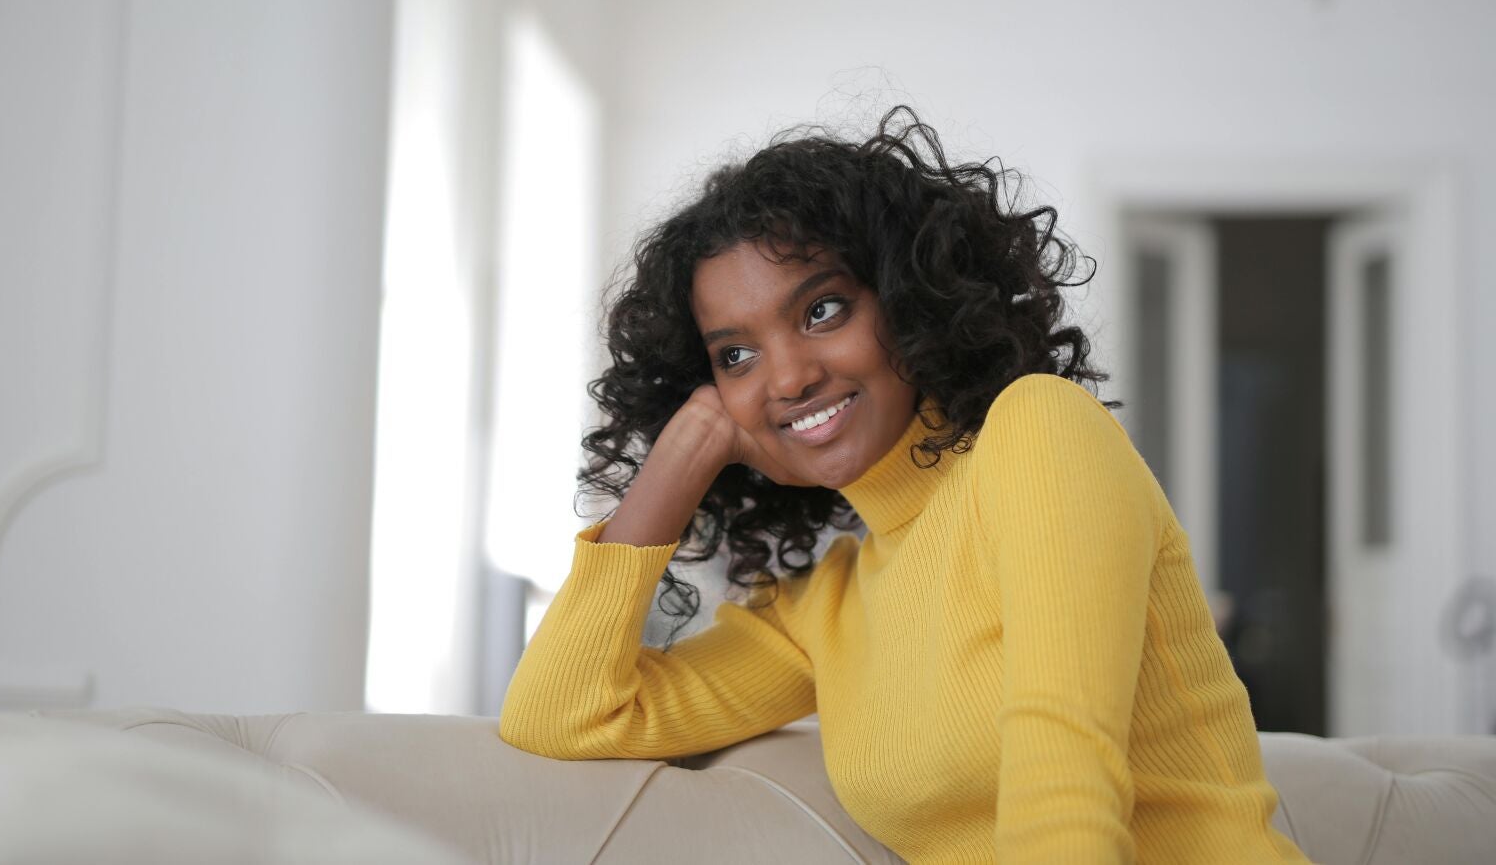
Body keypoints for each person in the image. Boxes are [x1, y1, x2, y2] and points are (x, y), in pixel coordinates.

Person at [498, 106, 1310, 864]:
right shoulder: (825, 610)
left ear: (908, 297)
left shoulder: (1040, 431)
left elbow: (1066, 795)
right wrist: (675, 467)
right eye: (735, 356)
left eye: (822, 311)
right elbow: (561, 714)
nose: (788, 377)